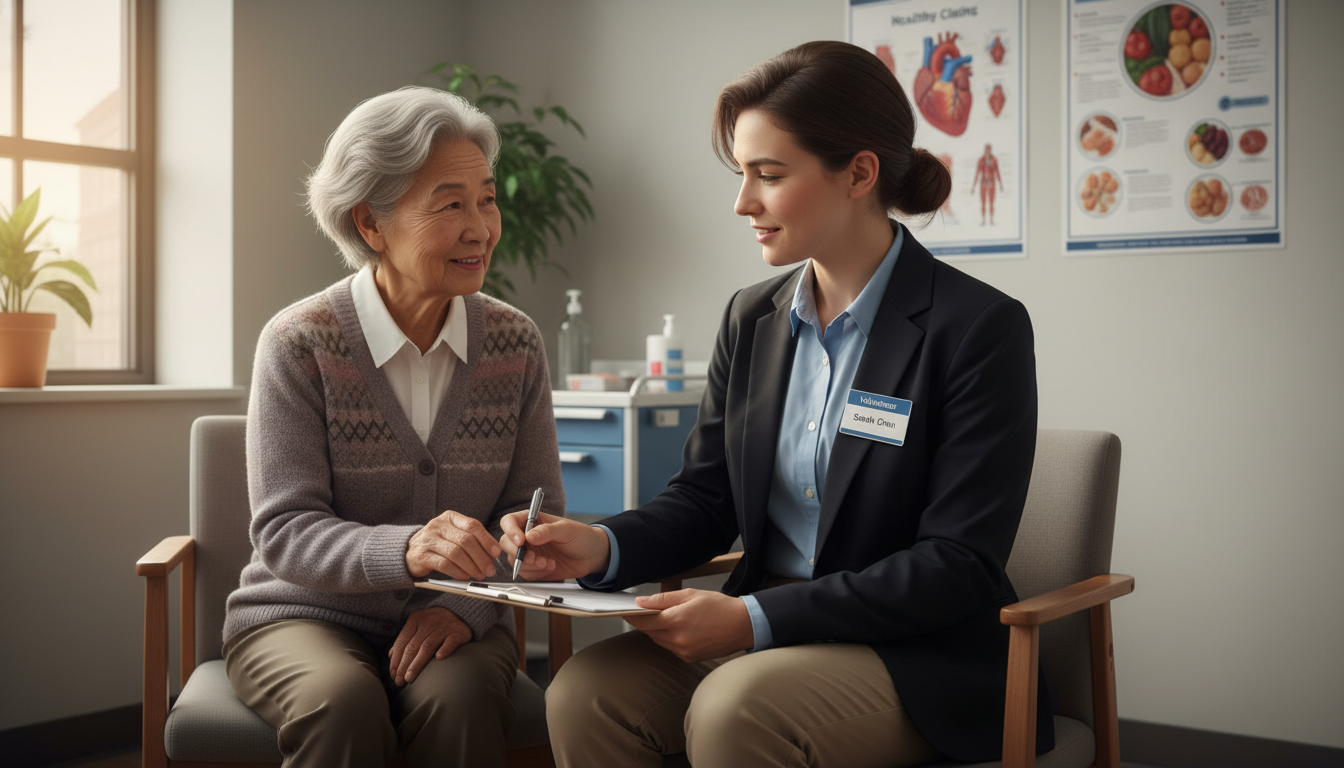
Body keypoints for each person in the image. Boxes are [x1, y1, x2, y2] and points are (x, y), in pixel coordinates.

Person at [501, 41, 1052, 768]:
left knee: (738, 710)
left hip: (914, 653)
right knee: (583, 692)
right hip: (765, 624)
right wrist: (601, 545)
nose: (742, 203)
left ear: (859, 172)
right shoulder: (752, 318)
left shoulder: (978, 328)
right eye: (740, 175)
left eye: (768, 174)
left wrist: (753, 619)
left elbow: (959, 563)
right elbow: (705, 499)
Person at [222, 86, 564, 768]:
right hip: (301, 616)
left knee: (459, 703)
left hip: (458, 618)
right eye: (449, 204)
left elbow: (534, 516)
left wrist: (463, 610)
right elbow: (286, 532)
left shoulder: (514, 342)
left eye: (486, 199)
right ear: (371, 225)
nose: (481, 228)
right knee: (340, 701)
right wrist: (409, 550)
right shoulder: (299, 343)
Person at [972, 142, 1005, 225]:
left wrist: (1000, 184)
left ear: (991, 150)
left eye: (989, 150)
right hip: (983, 183)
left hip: (991, 183)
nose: (987, 151)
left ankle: (991, 220)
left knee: (991, 202)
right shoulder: (981, 160)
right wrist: (974, 186)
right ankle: (983, 220)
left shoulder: (994, 160)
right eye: (986, 150)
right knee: (983, 202)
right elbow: (977, 172)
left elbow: (997, 172)